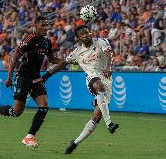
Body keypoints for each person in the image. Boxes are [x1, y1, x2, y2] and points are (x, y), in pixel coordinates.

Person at [39, 25, 119, 154]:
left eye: (87, 32)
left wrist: (108, 67)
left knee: (96, 117)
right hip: (92, 78)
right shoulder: (77, 52)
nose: (86, 35)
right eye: (82, 34)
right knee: (99, 86)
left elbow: (109, 54)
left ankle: (75, 143)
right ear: (79, 38)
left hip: (107, 80)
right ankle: (109, 123)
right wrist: (46, 76)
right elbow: (62, 64)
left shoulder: (101, 42)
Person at [0, 16, 63, 148]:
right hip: (23, 77)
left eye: (47, 25)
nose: (46, 27)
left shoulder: (46, 42)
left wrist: (65, 60)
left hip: (36, 78)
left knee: (44, 106)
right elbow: (14, 58)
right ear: (36, 25)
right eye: (43, 25)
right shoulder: (29, 39)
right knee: (17, 112)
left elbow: (52, 59)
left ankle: (29, 137)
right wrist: (9, 77)